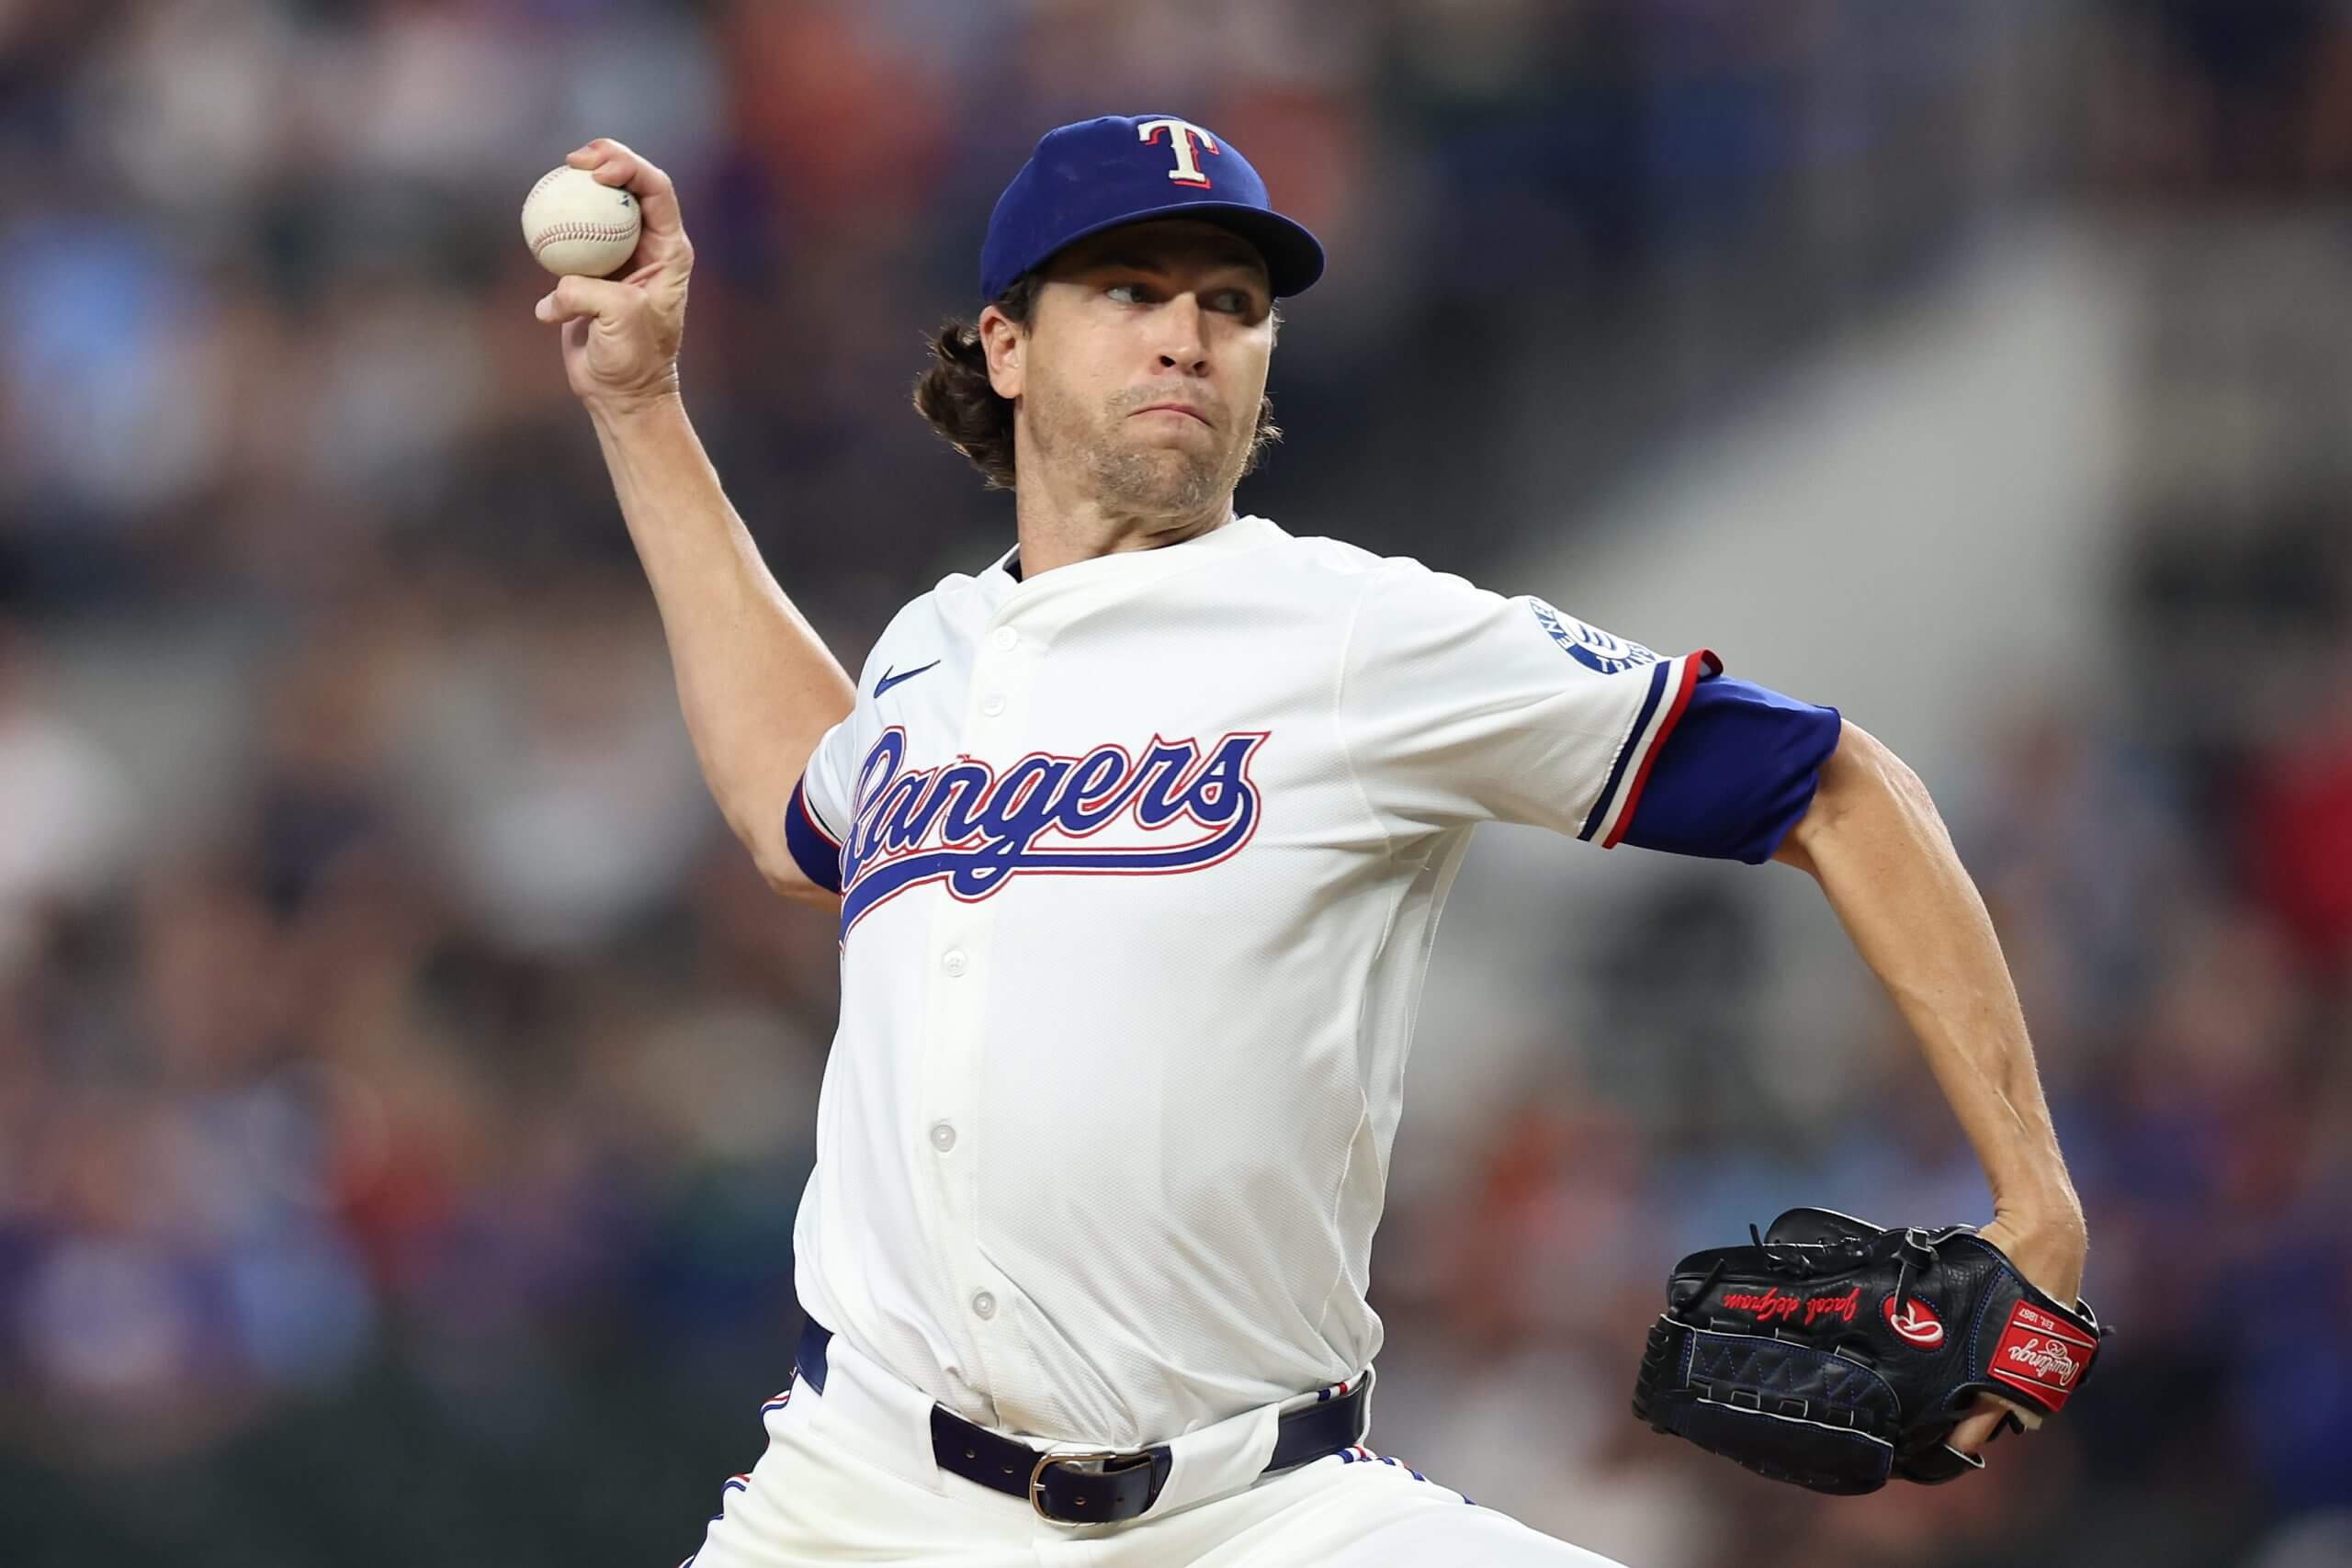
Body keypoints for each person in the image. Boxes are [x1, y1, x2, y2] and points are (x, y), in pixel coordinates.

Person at [533, 113, 2088, 1566]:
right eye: (1129, 289)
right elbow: (798, 807)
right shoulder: (930, 652)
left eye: (1231, 303)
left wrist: (2036, 1197)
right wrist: (640, 405)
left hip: (1255, 1513)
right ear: (1004, 346)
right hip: (864, 1501)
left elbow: (1839, 789)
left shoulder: (1362, 636)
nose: (1186, 334)